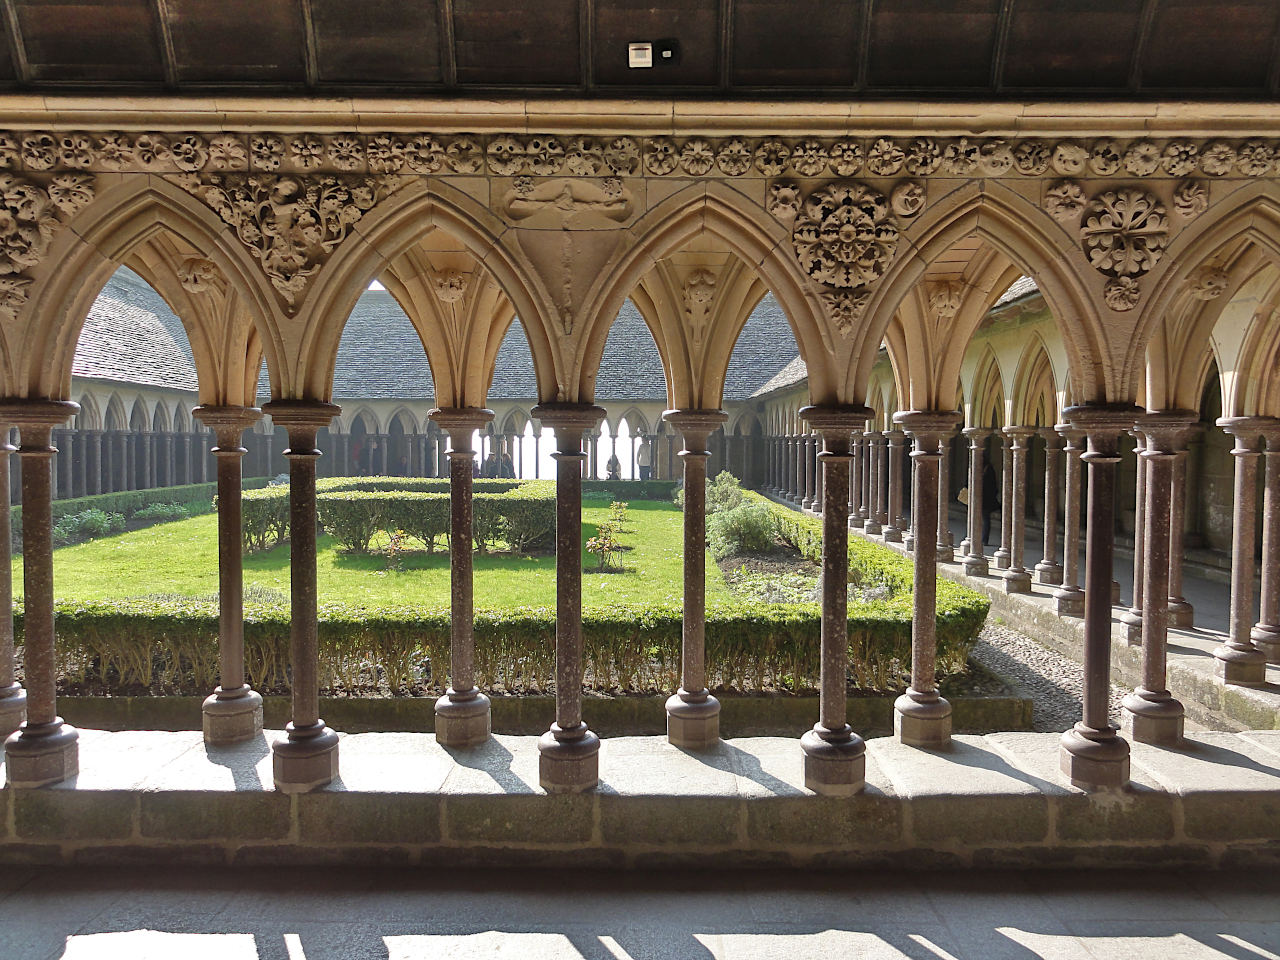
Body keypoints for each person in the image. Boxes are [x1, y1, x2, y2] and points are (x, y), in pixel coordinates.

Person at [981, 458, 1000, 547]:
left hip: (984, 499)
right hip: (986, 499)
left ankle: (983, 539)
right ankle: (982, 539)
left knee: (985, 519)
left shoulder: (985, 470)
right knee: (985, 519)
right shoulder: (988, 469)